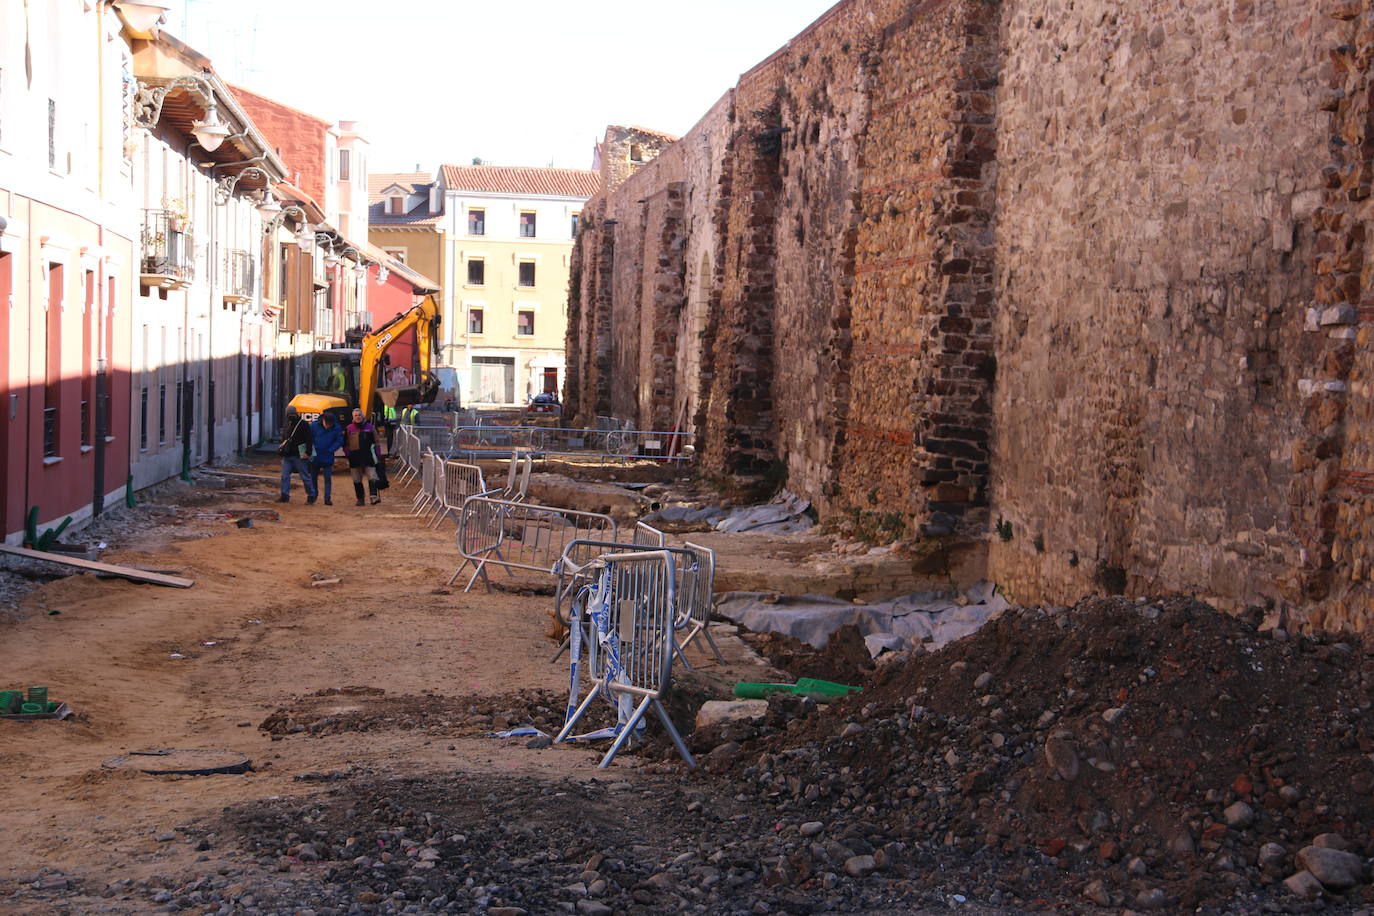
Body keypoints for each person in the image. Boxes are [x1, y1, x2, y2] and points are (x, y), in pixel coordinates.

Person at [277, 407, 316, 504]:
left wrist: (308, 453)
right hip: (288, 455)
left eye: (291, 415)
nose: (290, 417)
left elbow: (309, 439)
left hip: (300, 455)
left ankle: (311, 495)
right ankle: (284, 496)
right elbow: (284, 437)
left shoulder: (303, 424)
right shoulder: (289, 424)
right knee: (285, 476)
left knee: (304, 476)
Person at [344, 407, 382, 506]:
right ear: (353, 417)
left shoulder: (370, 428)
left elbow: (377, 442)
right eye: (356, 415)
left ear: (363, 416)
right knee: (356, 480)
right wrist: (348, 454)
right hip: (354, 458)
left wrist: (378, 455)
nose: (358, 417)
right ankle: (360, 499)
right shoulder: (349, 428)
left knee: (372, 477)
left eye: (359, 415)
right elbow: (345, 444)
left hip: (368, 456)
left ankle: (373, 497)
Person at [309, 411, 344, 506]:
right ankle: (313, 497)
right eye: (327, 424)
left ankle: (327, 498)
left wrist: (331, 449)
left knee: (327, 478)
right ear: (323, 420)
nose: (328, 426)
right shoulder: (314, 426)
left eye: (330, 425)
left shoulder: (336, 427)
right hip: (315, 456)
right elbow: (308, 438)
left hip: (327, 457)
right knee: (313, 478)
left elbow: (340, 440)